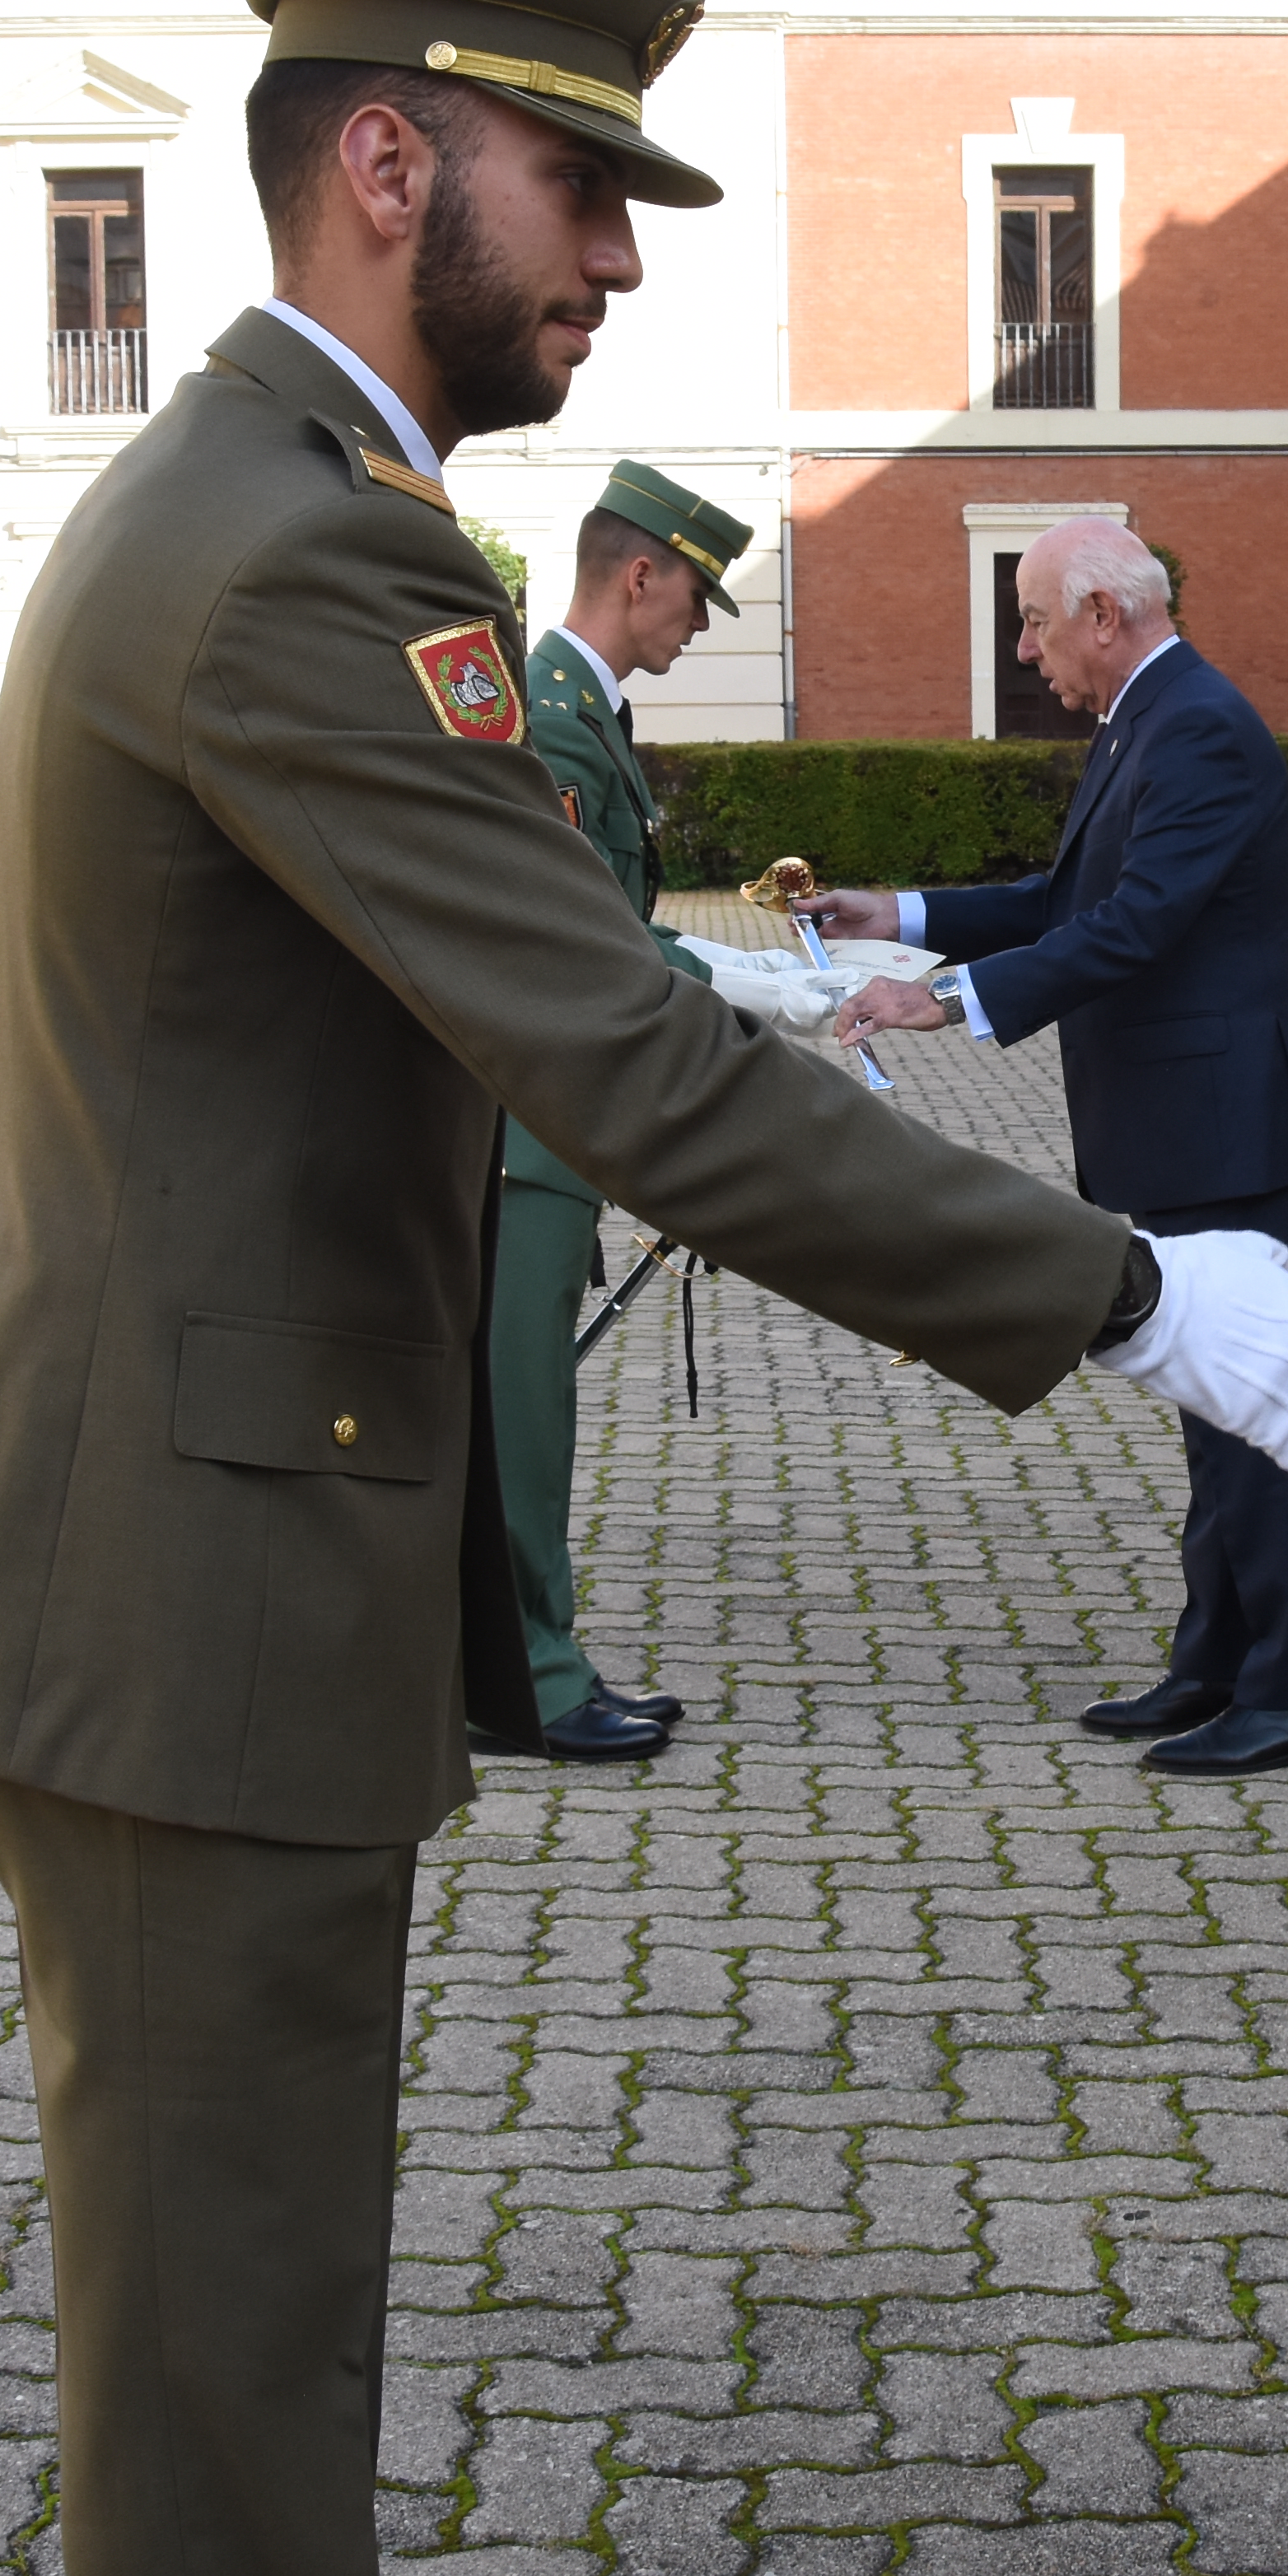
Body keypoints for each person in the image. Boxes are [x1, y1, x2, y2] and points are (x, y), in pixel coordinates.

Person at [0, 0, 1288, 2576]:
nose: (616, 255)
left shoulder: (264, 499)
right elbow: (615, 1066)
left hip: (170, 1561)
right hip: (187, 1591)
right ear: (385, 166)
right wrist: (1138, 1296)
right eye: (578, 186)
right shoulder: (309, 547)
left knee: (239, 2348)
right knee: (226, 2385)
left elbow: (541, 994)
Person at [800, 520, 1288, 1780]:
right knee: (1211, 1405)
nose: (1025, 647)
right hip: (1181, 1125)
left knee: (1255, 1404)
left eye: (1035, 619)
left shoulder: (1196, 725)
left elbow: (1139, 924)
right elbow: (1070, 901)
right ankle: (1219, 1657)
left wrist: (939, 1002)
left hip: (1224, 1131)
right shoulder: (1145, 719)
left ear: (1104, 613)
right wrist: (899, 914)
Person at [485, 458, 767, 1766]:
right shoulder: (547, 717)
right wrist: (746, 988)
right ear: (639, 574)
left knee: (522, 1400)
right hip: (515, 1127)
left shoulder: (583, 711)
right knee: (518, 1410)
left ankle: (523, 1660)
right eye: (697, 598)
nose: (699, 625)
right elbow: (580, 931)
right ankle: (529, 1681)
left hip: (549, 1118)